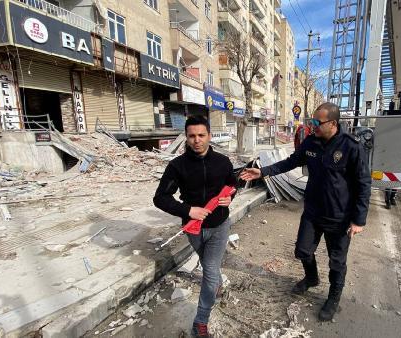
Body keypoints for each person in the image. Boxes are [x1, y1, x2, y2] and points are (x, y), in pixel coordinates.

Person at [240, 102, 372, 322]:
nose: (312, 126)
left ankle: (333, 297)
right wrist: (263, 171)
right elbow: (291, 162)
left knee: (336, 262)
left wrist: (358, 220)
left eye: (317, 122)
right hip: (313, 211)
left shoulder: (351, 147)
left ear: (333, 124)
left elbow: (363, 184)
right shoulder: (311, 142)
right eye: (312, 121)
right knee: (302, 251)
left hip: (339, 217)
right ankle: (311, 279)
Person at [153, 116, 236, 338]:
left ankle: (200, 322)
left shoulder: (223, 162)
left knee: (209, 269)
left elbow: (232, 184)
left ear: (209, 135)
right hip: (193, 229)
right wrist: (188, 210)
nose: (196, 140)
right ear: (186, 138)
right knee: (210, 268)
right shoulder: (177, 166)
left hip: (220, 225)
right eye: (192, 136)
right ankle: (216, 284)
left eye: (201, 135)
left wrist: (230, 197)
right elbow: (160, 198)